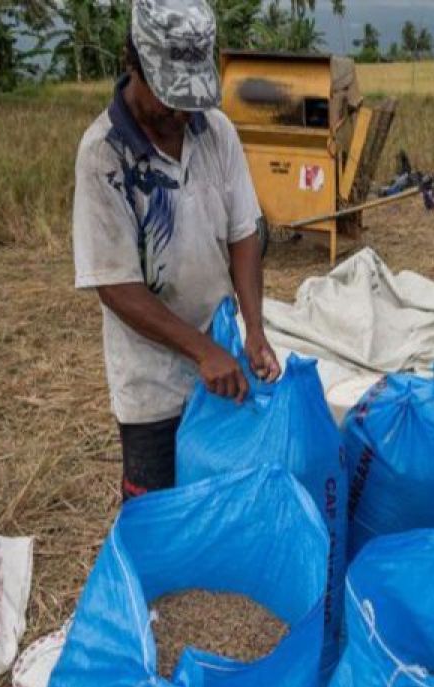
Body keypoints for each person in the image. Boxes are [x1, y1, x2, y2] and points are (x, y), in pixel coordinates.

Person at [72, 0, 280, 503]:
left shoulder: (216, 132)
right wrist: (199, 350)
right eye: (168, 97)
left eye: (189, 98)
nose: (180, 112)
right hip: (153, 383)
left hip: (223, 363)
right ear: (132, 64)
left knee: (221, 502)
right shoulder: (104, 155)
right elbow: (115, 285)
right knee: (158, 514)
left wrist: (252, 328)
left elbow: (243, 233)